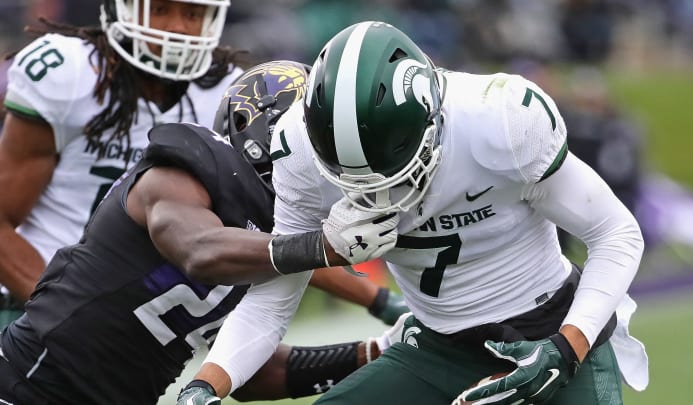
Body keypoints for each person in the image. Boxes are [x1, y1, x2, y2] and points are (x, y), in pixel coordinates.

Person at [268, 21, 647, 404]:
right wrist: (209, 385)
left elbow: (616, 232)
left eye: (390, 156)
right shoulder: (298, 148)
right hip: (437, 345)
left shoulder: (499, 118)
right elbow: (273, 285)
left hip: (548, 331)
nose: (374, 187)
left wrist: (566, 350)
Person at [0, 59, 401, 404]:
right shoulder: (179, 176)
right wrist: (322, 246)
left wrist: (377, 351)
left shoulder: (267, 232)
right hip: (27, 384)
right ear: (263, 127)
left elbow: (249, 368)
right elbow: (200, 250)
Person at [0, 0, 405, 328]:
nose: (177, 28)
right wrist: (54, 310)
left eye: (192, 13)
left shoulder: (230, 95)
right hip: (31, 303)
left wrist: (381, 301)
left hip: (137, 310)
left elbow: (272, 233)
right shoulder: (70, 74)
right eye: (160, 9)